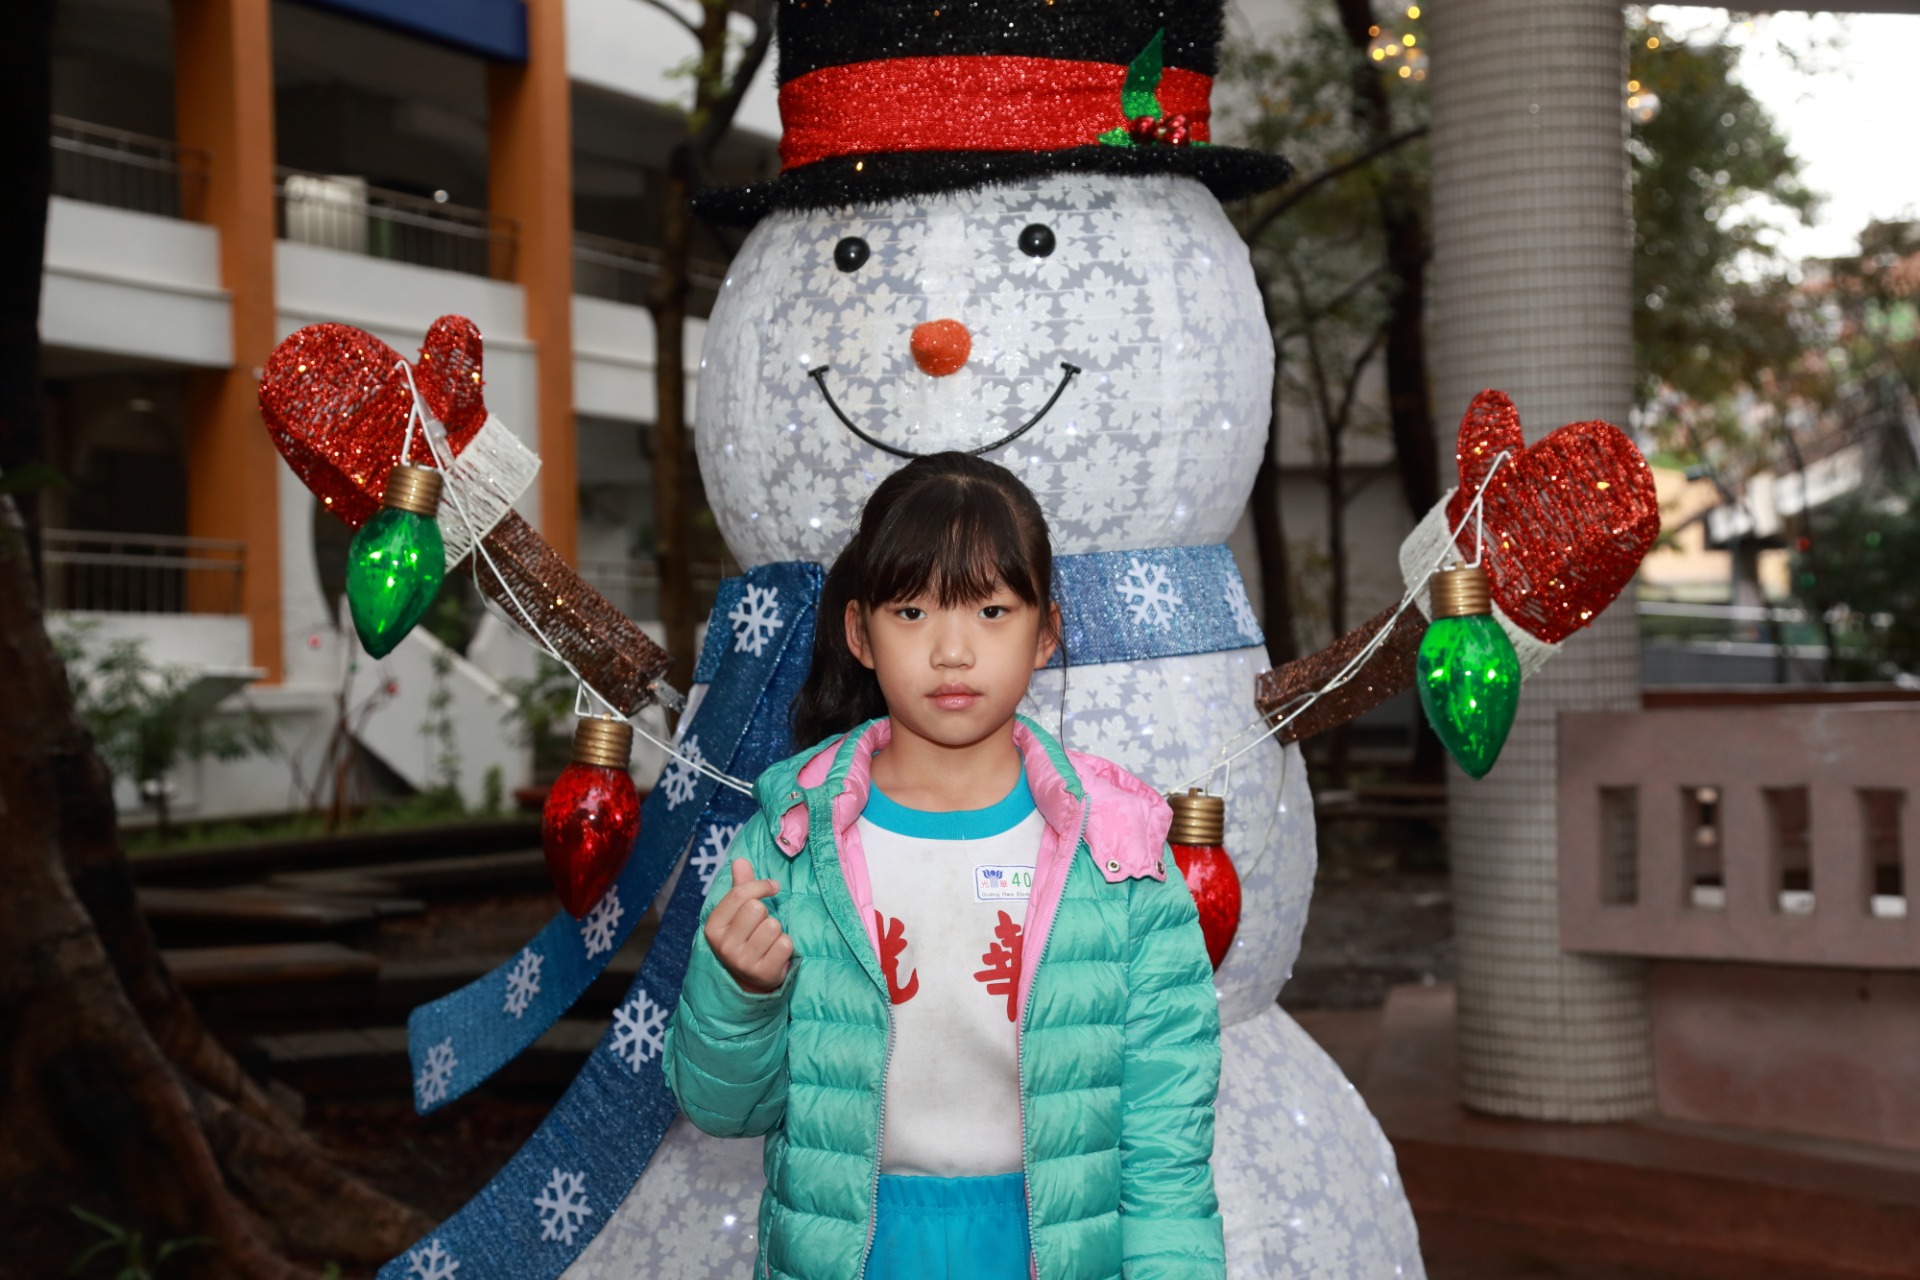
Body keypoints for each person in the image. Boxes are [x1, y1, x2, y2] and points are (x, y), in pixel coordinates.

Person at [663, 452, 1225, 1280]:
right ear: (861, 634)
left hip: (1058, 1253)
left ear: (1046, 633)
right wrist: (741, 995)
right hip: (853, 1255)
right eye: (913, 611)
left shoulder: (1119, 851)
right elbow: (722, 1108)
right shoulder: (790, 842)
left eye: (992, 610)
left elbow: (1166, 1153)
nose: (953, 650)